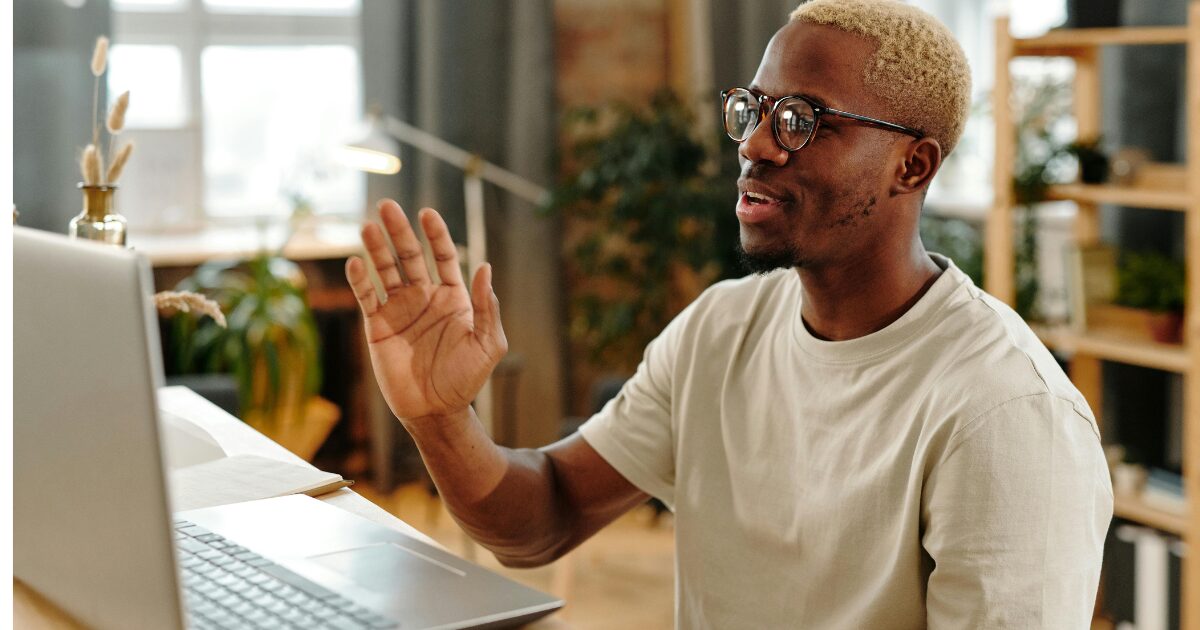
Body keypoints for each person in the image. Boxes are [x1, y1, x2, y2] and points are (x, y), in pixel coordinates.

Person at [345, 0, 1113, 627]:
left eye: (803, 120)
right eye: (753, 109)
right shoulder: (722, 328)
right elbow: (544, 516)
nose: (755, 145)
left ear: (913, 165)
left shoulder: (1007, 416)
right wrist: (441, 418)